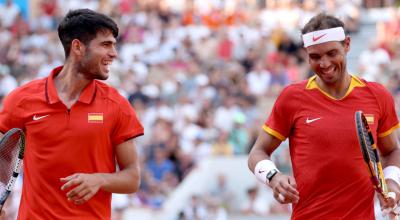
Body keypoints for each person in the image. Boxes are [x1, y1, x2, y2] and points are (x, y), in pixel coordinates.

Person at [248, 13, 400, 220]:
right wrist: (273, 177)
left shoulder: (377, 95)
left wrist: (391, 183)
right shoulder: (292, 98)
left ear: (347, 45)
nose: (324, 64)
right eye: (315, 57)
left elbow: (392, 150)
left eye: (331, 53)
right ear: (306, 55)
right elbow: (257, 152)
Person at [0, 9, 144, 219]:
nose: (114, 53)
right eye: (105, 44)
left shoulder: (117, 105)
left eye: (114, 45)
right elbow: (3, 156)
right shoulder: (22, 99)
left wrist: (100, 180)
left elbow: (132, 178)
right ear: (78, 47)